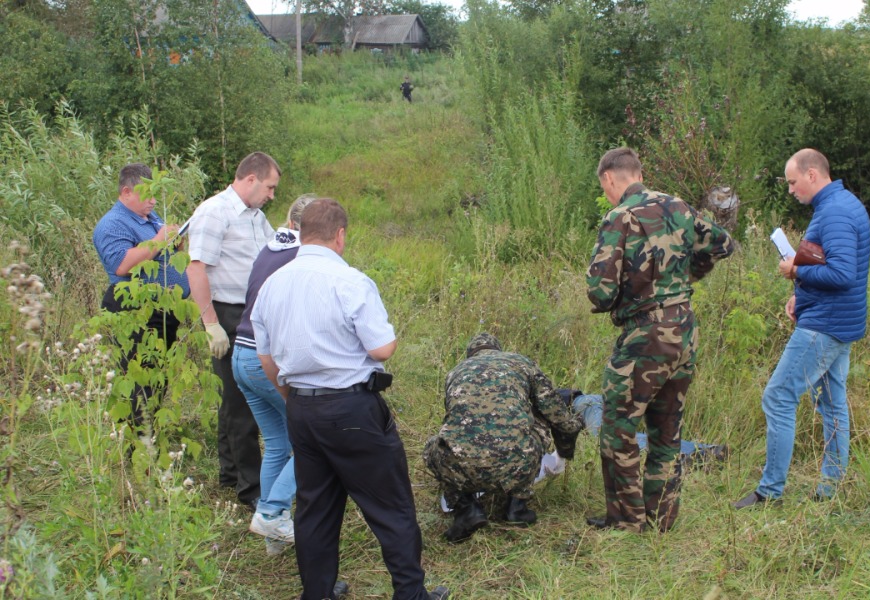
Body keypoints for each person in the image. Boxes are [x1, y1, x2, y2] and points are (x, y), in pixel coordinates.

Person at [251, 199, 448, 600]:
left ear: (301, 233)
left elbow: (265, 356)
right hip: (352, 407)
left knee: (314, 509)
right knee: (390, 506)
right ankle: (411, 594)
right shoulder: (350, 281)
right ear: (340, 236)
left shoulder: (274, 283)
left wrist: (291, 398)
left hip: (302, 409)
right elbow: (382, 349)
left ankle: (318, 593)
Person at [586, 147, 736, 533]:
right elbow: (722, 243)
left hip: (646, 334)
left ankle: (626, 520)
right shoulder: (679, 207)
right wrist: (689, 275)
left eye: (604, 186)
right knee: (667, 429)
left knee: (617, 425)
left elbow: (600, 292)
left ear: (609, 179)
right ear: (638, 173)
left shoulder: (619, 216)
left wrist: (630, 296)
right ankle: (661, 518)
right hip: (685, 327)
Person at [733, 148, 870, 509]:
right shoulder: (839, 205)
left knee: (778, 397)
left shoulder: (836, 212)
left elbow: (842, 274)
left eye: (793, 182)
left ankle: (770, 493)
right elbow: (833, 267)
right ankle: (831, 488)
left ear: (812, 175)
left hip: (825, 326)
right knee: (832, 405)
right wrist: (802, 295)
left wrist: (795, 271)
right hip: (837, 320)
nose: (791, 190)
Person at [423, 333, 584, 543]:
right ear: (497, 350)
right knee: (538, 421)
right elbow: (558, 415)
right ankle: (517, 506)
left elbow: (453, 422)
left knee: (435, 446)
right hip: (517, 460)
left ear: (471, 353)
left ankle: (466, 507)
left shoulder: (455, 372)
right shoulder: (521, 362)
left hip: (462, 464)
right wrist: (565, 452)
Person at [187, 151, 280, 507]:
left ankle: (229, 474)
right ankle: (250, 488)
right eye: (269, 187)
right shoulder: (216, 212)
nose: (271, 194)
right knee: (243, 401)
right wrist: (211, 324)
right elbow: (196, 269)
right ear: (251, 179)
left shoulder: (255, 216)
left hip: (250, 312)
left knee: (232, 396)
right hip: (228, 312)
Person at [232, 194, 316, 556]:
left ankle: (273, 536)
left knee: (278, 444)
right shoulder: (304, 256)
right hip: (264, 358)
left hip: (240, 353)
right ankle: (271, 510)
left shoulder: (271, 247)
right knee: (312, 441)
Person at [92, 163, 189, 435]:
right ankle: (139, 443)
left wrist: (175, 242)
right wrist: (159, 240)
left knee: (158, 375)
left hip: (164, 309)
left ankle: (151, 433)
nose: (153, 200)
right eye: (147, 194)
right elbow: (122, 264)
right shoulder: (112, 224)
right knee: (138, 377)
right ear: (126, 192)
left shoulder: (150, 217)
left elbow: (159, 251)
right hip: (134, 307)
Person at [566, 391, 728, 467]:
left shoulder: (542, 395)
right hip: (590, 405)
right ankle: (706, 451)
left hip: (584, 405)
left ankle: (678, 456)